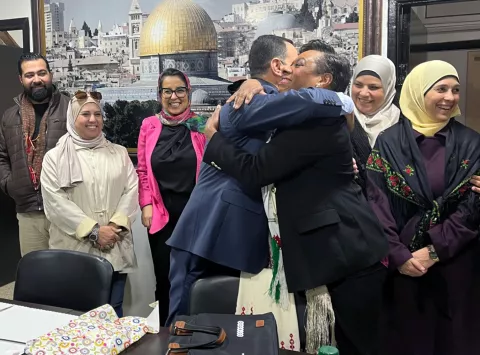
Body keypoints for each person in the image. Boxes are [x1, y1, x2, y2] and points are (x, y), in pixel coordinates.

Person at [202, 47, 388, 355]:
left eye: (299, 64)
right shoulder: (310, 114)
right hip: (333, 252)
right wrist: (252, 83)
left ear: (323, 80)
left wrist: (213, 141)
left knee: (354, 344)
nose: (288, 69)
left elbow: (257, 170)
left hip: (345, 253)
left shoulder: (317, 121)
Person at [166, 35, 353, 325]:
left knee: (220, 327)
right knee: (185, 324)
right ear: (278, 66)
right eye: (294, 63)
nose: (295, 71)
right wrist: (341, 98)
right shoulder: (250, 100)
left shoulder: (267, 99)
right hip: (211, 229)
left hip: (232, 234)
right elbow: (308, 103)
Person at [366, 60, 480, 355]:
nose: (450, 97)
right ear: (418, 92)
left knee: (453, 341)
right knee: (405, 340)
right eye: (441, 88)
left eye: (455, 90)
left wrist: (433, 251)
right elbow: (375, 203)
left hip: (454, 265)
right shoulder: (389, 143)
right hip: (404, 269)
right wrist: (399, 254)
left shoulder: (472, 144)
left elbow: (472, 208)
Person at [40, 91, 138, 317]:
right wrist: (94, 232)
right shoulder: (55, 158)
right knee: (76, 313)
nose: (93, 119)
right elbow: (56, 203)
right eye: (85, 114)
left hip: (115, 245)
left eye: (97, 114)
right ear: (72, 119)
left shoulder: (119, 153)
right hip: (75, 250)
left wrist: (113, 228)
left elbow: (131, 190)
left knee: (113, 312)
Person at [136, 68, 207, 326]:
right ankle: (167, 332)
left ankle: (195, 330)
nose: (174, 96)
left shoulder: (200, 125)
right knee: (165, 277)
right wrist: (145, 204)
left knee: (195, 276)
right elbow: (142, 170)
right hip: (160, 212)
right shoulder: (149, 125)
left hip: (195, 212)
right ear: (159, 94)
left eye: (180, 90)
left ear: (188, 93)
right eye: (167, 91)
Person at [0, 53, 68, 256]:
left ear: (51, 75)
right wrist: (10, 184)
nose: (37, 79)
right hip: (28, 211)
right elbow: (2, 155)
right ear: (21, 79)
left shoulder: (71, 109)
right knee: (36, 274)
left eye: (41, 73)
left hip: (66, 208)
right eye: (29, 75)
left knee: (68, 274)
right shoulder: (10, 116)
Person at [349, 55, 400, 193]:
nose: (364, 93)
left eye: (373, 87)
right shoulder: (339, 118)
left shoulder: (403, 123)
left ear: (388, 88)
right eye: (358, 85)